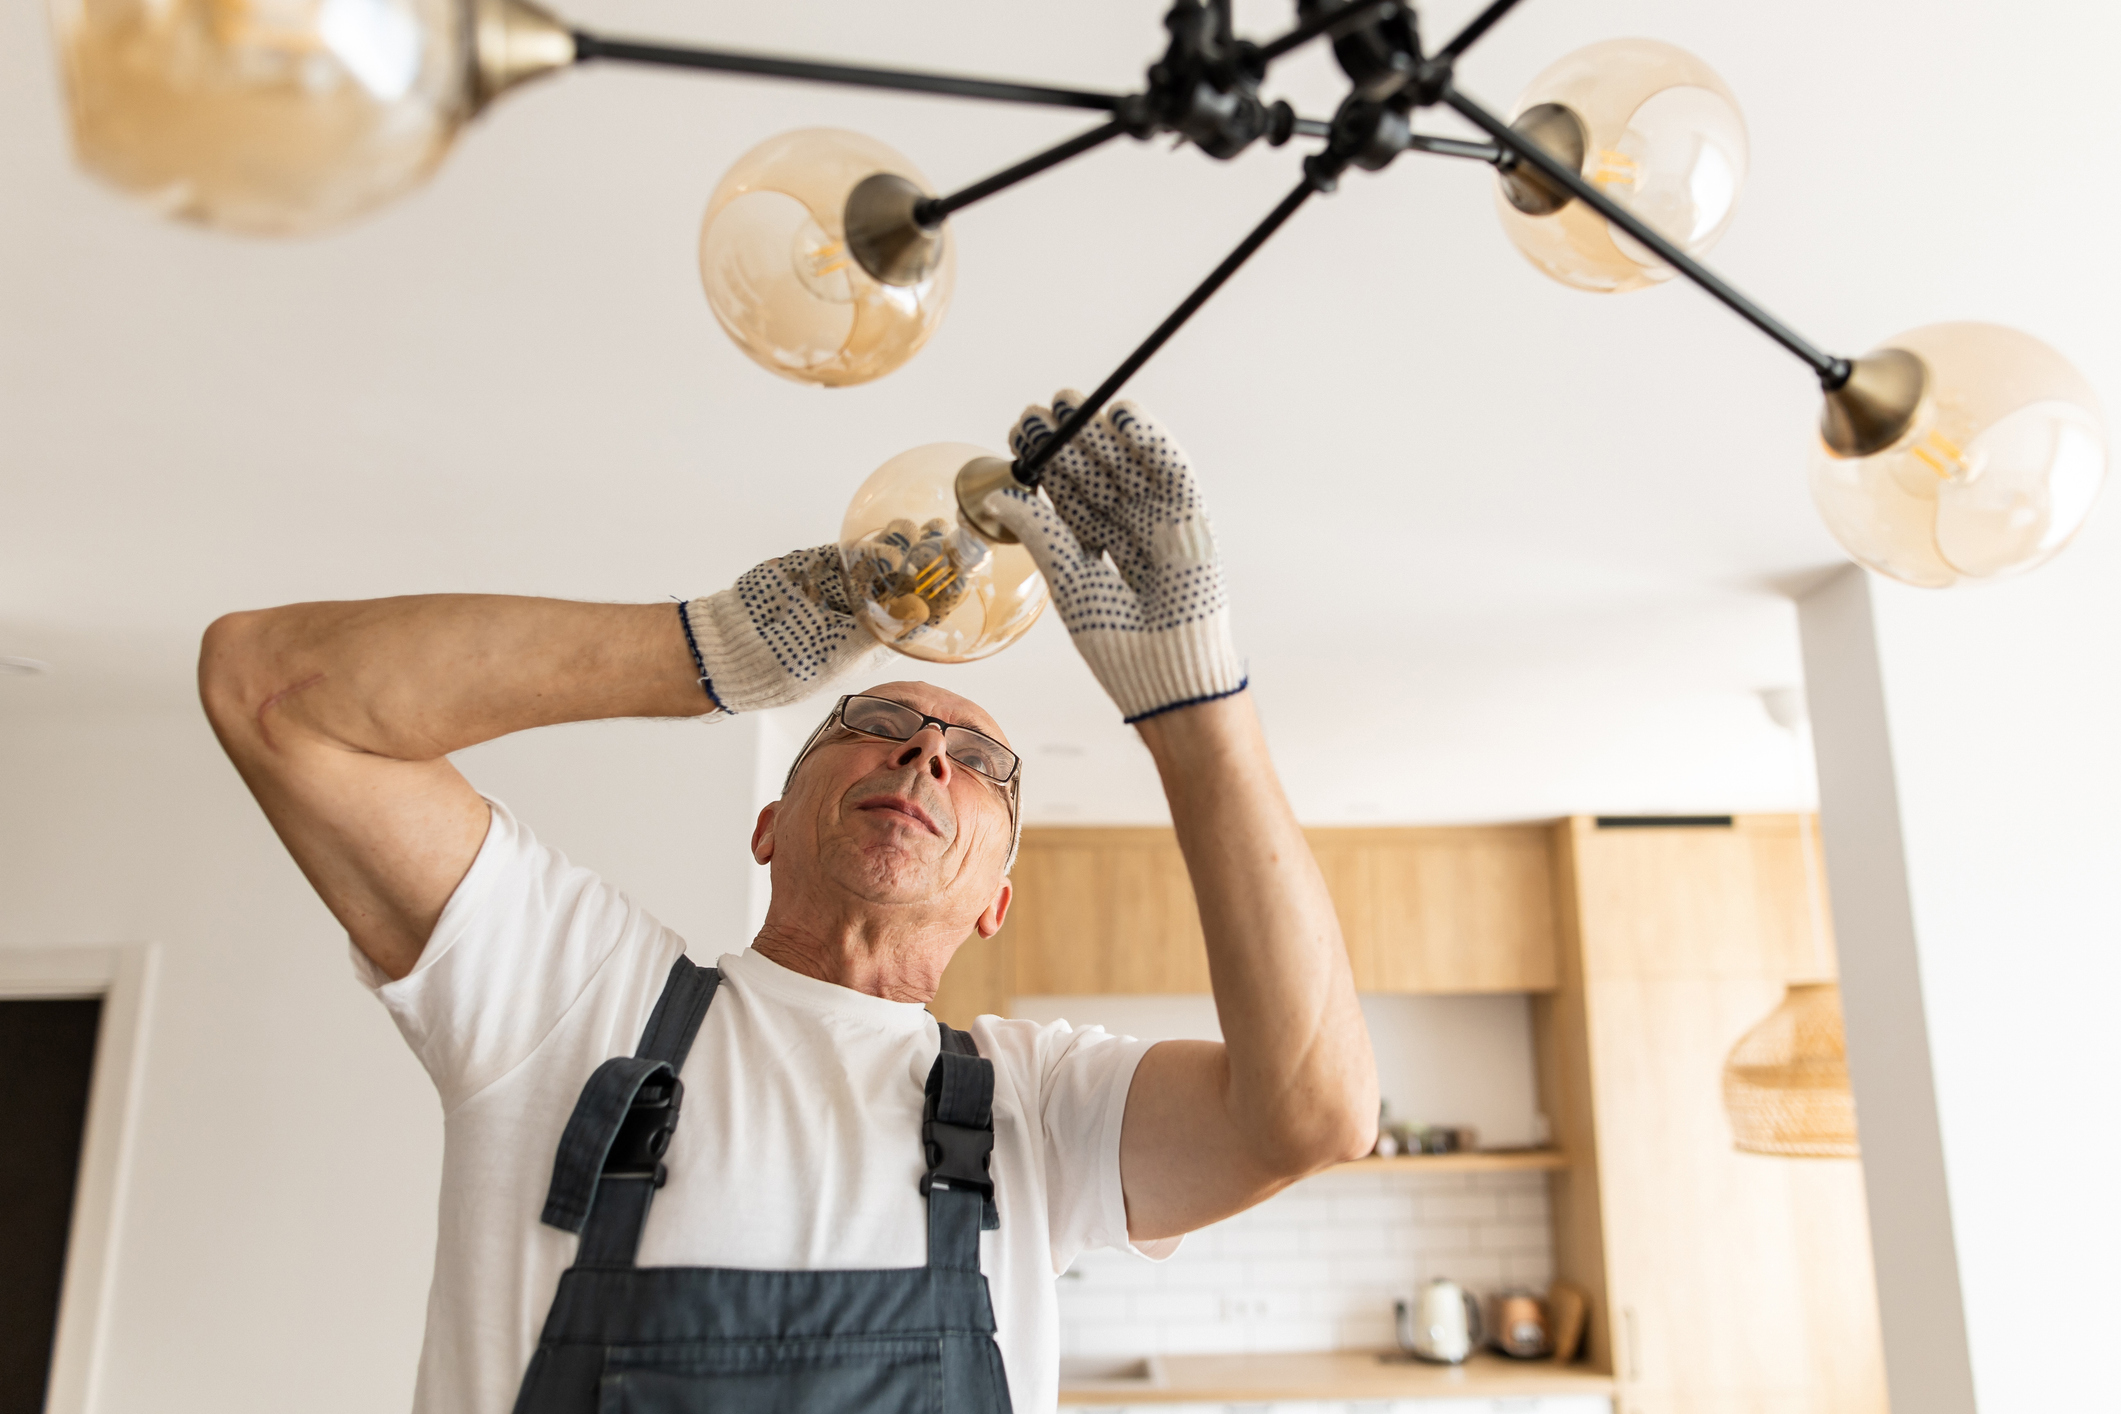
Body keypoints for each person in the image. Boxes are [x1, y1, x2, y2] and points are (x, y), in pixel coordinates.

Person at [199, 392, 1377, 1414]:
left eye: (977, 763)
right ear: (768, 822)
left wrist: (1198, 710)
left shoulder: (1039, 1109)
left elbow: (1315, 1114)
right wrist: (703, 651)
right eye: (876, 724)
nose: (924, 757)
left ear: (994, 904)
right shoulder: (570, 1001)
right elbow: (276, 694)